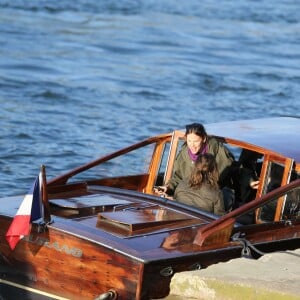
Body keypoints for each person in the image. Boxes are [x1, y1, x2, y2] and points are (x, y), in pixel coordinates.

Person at [154, 122, 234, 196]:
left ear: (204, 139)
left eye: (196, 141)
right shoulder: (183, 155)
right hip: (189, 198)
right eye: (189, 141)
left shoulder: (219, 153)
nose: (192, 145)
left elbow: (224, 181)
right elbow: (178, 178)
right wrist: (168, 188)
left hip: (211, 198)